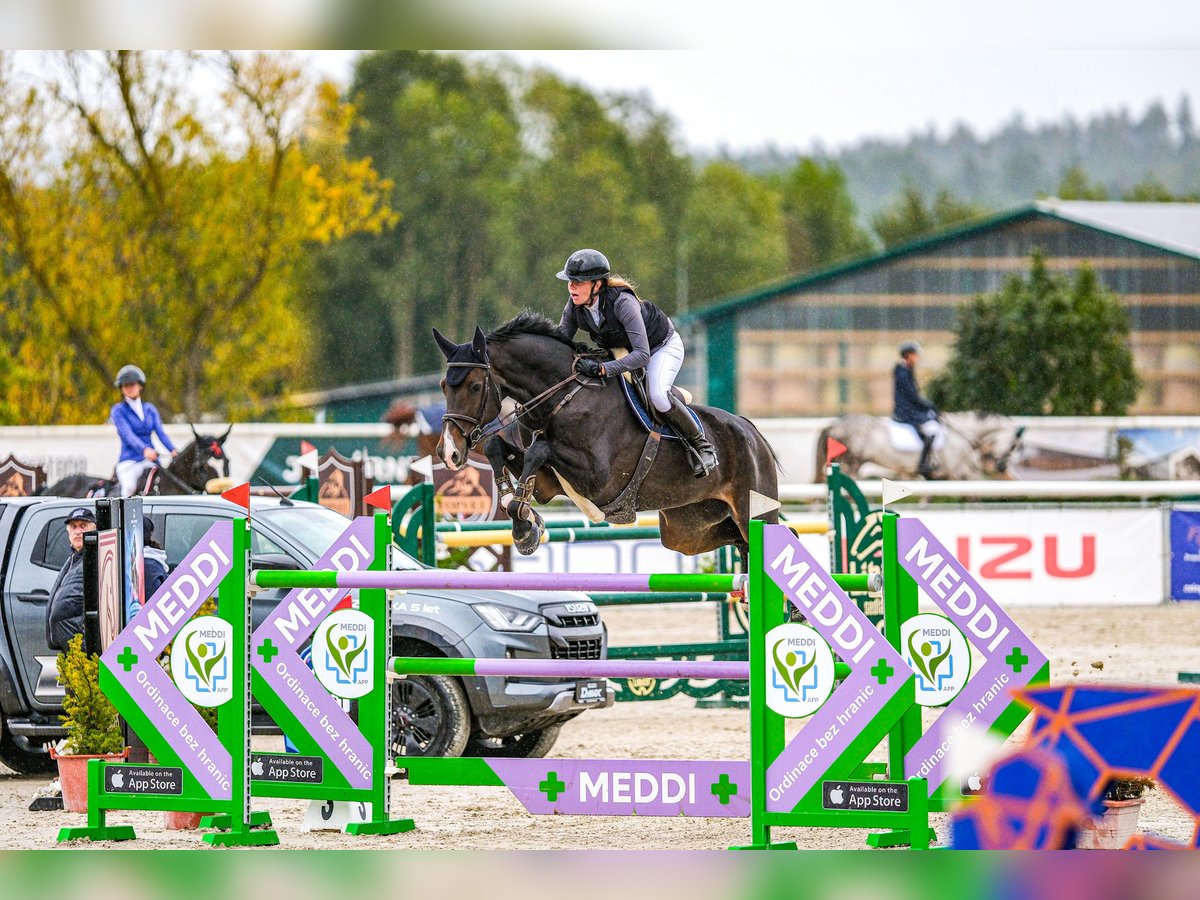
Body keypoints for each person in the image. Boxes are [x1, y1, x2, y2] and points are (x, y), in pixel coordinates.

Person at [555, 248, 718, 478]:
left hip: (660, 347)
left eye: (578, 282)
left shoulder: (623, 303)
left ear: (598, 285)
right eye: (570, 281)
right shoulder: (575, 305)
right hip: (623, 351)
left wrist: (603, 369)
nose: (572, 287)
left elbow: (642, 355)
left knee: (658, 396)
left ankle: (701, 445)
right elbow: (559, 342)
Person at [110, 364, 177, 497]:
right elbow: (127, 434)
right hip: (130, 460)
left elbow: (160, 433)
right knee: (128, 488)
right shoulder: (118, 410)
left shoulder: (150, 409)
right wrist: (144, 449)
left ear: (140, 385)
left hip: (151, 460)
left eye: (132, 384)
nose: (129, 388)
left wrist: (173, 450)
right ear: (122, 389)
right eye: (125, 385)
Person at [46, 507, 97, 651]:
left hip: (84, 648)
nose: (78, 531)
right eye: (74, 527)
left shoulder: (94, 558)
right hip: (71, 648)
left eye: (83, 526)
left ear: (94, 529)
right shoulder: (74, 558)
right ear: (68, 532)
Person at [893, 341, 942, 479]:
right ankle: (923, 464)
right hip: (906, 411)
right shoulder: (902, 372)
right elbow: (912, 395)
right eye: (915, 355)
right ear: (908, 355)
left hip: (910, 408)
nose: (917, 357)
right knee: (930, 430)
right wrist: (929, 406)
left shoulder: (907, 369)